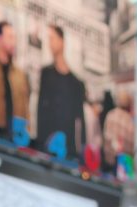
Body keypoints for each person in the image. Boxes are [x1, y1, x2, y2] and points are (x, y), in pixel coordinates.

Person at [35, 25, 87, 159]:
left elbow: (80, 121)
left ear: (62, 41)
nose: (50, 44)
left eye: (52, 39)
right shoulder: (46, 74)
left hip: (68, 149)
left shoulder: (76, 83)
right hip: (47, 146)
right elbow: (40, 110)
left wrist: (80, 150)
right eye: (48, 39)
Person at [103, 89, 134, 169]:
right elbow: (131, 145)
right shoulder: (129, 120)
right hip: (124, 164)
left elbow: (106, 137)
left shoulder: (111, 115)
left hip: (109, 159)